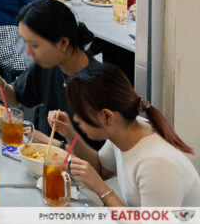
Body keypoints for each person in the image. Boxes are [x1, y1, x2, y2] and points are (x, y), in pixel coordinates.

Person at [0, 0, 104, 148]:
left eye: (34, 45)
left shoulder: (98, 84)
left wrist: (51, 143)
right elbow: (16, 98)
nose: (28, 52)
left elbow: (101, 164)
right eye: (25, 43)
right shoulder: (50, 64)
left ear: (63, 43)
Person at [62, 63, 200, 207]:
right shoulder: (125, 131)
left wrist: (102, 189)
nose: (76, 119)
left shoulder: (156, 164)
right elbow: (101, 168)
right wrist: (68, 132)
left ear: (107, 117)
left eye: (80, 114)